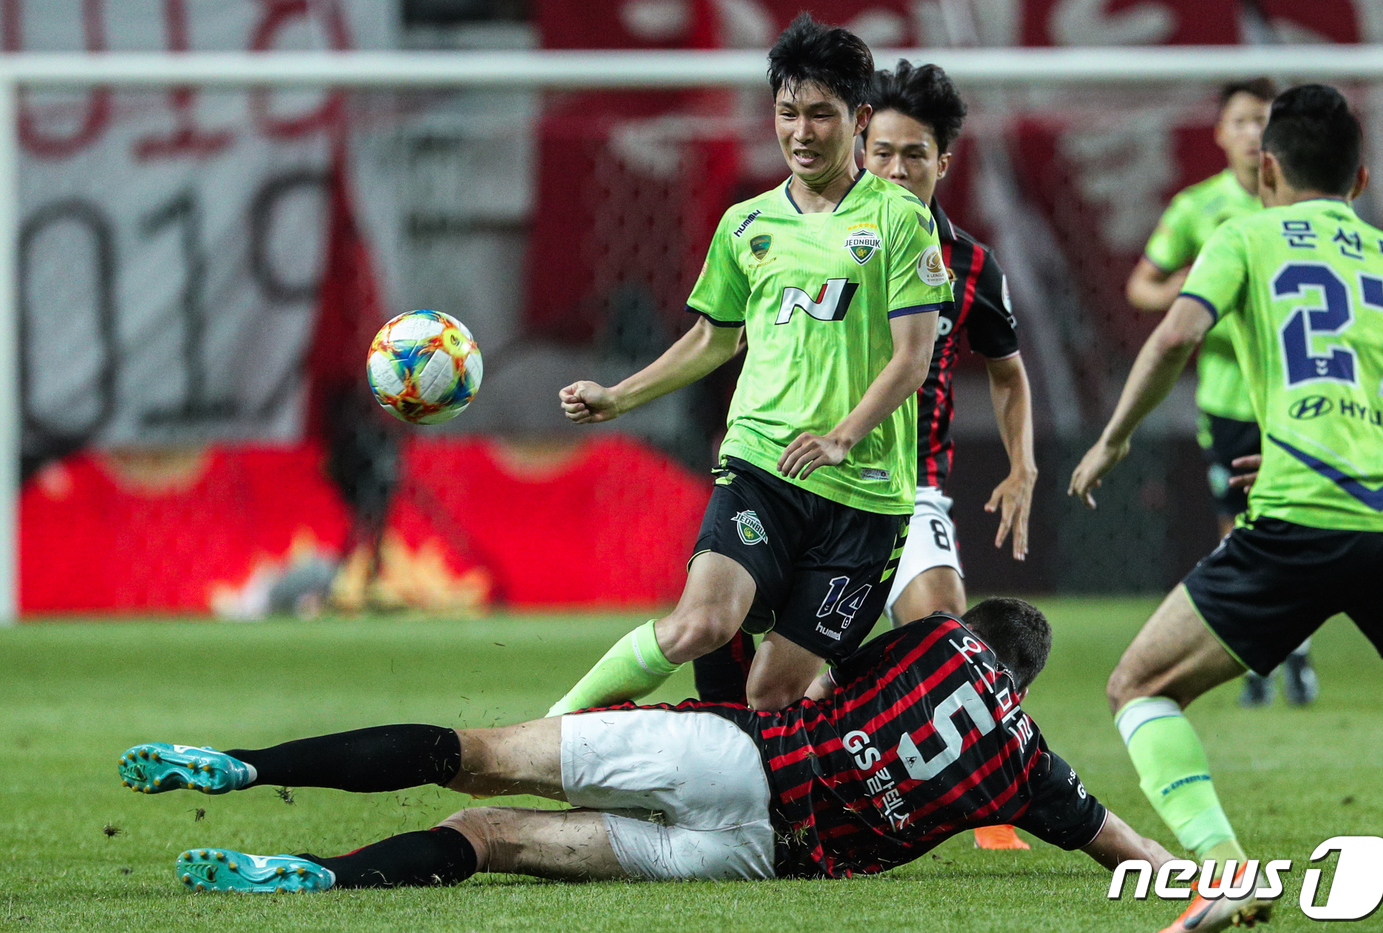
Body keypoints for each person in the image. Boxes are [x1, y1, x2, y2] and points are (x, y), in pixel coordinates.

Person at [117, 597, 1174, 894]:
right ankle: (315, 877)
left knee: (468, 754)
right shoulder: (1029, 765)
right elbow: (1119, 844)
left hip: (733, 759)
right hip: (751, 860)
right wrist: (1201, 879)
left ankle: (249, 765)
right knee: (489, 839)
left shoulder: (937, 640)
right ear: (1022, 681)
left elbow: (806, 655)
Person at [549, 14, 949, 715]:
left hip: (867, 494)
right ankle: (551, 731)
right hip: (762, 463)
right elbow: (712, 339)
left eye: (820, 114)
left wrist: (842, 437)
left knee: (772, 691)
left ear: (858, 120)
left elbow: (914, 360)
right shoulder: (746, 225)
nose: (800, 132)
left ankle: (775, 810)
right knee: (701, 622)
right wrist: (618, 397)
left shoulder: (899, 220)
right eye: (787, 112)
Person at [1070, 84, 1383, 933]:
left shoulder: (1242, 234)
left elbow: (1177, 332)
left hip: (1295, 522)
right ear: (1361, 179)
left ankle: (1222, 871)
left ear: (1266, 169)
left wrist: (1111, 439)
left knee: (1139, 686)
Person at [690, 58, 1039, 851]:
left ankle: (984, 791)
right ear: (861, 144)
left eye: (914, 154)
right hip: (800, 474)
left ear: (943, 162)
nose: (895, 167)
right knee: (728, 638)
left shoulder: (968, 263)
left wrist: (1022, 466)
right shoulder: (809, 229)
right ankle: (766, 762)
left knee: (946, 629)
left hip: (905, 485)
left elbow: (1010, 374)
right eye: (882, 152)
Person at [1125, 78, 1317, 708]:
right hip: (1231, 398)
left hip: (1299, 397)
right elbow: (1142, 288)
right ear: (1220, 131)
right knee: (1238, 529)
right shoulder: (1196, 208)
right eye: (1242, 119)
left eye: (1264, 119)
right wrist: (1187, 294)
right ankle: (1259, 655)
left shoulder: (1301, 206)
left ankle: (1296, 651)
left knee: (1299, 521)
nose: (1253, 131)